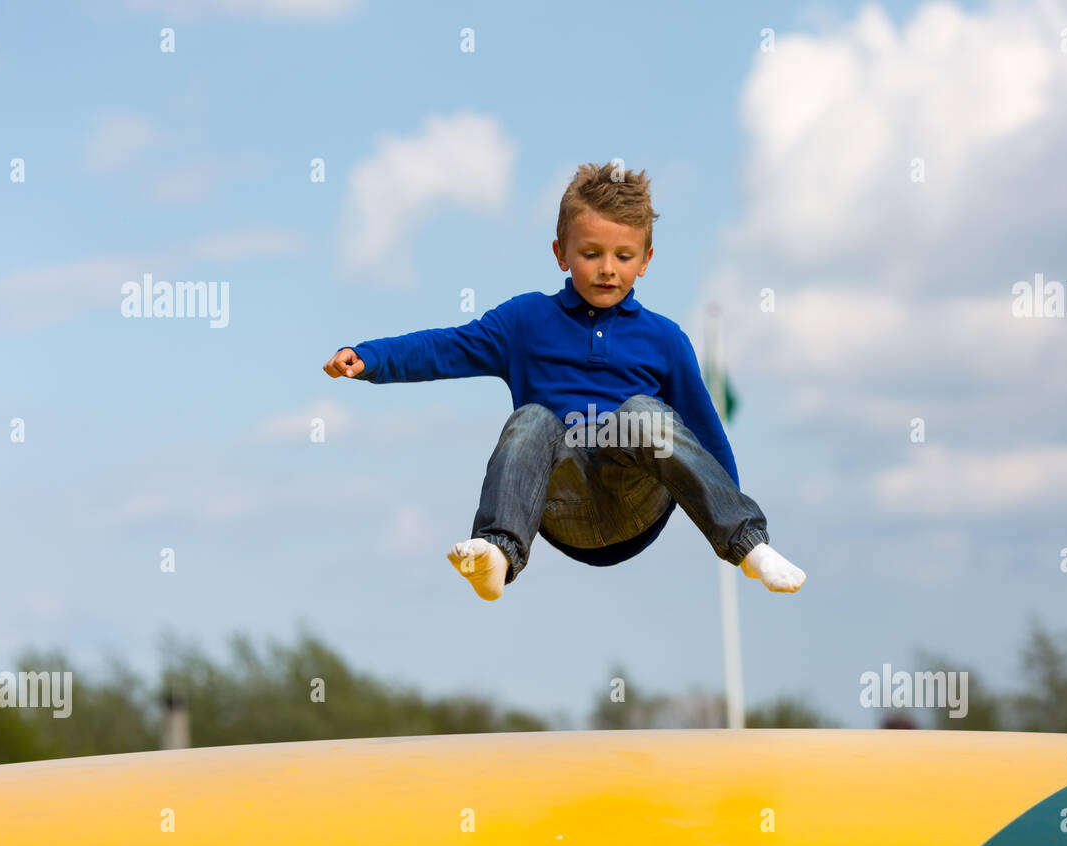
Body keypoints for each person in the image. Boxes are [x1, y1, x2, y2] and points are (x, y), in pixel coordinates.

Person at [323, 161, 805, 601]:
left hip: (634, 500)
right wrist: (370, 358)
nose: (607, 269)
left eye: (623, 255)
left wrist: (735, 527)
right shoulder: (526, 320)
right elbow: (447, 347)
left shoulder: (665, 339)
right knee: (532, 418)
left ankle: (750, 545)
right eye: (591, 253)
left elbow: (706, 439)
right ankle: (497, 551)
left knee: (642, 414)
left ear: (646, 260)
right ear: (561, 253)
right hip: (559, 502)